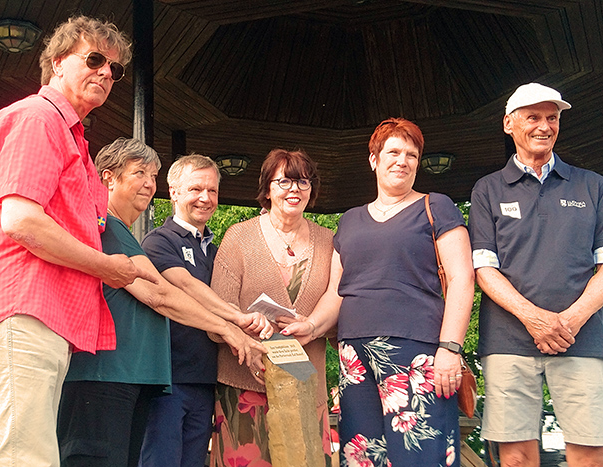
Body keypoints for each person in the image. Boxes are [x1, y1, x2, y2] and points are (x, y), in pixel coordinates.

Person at [0, 16, 156, 467]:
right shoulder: (37, 118)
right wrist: (111, 268)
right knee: (27, 458)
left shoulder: (69, 136)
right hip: (21, 306)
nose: (106, 72)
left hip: (40, 313)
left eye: (115, 69)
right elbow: (22, 221)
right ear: (57, 63)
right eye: (95, 59)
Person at [57, 139, 267, 466]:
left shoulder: (121, 232)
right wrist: (232, 329)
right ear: (108, 177)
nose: (148, 183)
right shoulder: (106, 229)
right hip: (102, 377)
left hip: (133, 379)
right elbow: (161, 295)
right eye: (139, 172)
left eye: (152, 175)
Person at [284, 118, 474, 466]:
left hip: (418, 353)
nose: (402, 161)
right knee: (362, 457)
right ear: (374, 159)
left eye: (412, 155)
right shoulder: (350, 220)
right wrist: (311, 326)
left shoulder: (437, 207)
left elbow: (463, 279)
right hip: (354, 357)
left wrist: (450, 348)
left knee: (420, 455)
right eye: (394, 152)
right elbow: (337, 292)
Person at [469, 83, 603, 467]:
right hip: (509, 340)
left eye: (552, 117)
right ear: (509, 124)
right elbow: (484, 269)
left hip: (582, 337)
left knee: (591, 456)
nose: (544, 126)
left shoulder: (592, 186)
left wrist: (570, 321)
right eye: (533, 117)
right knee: (514, 459)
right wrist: (535, 319)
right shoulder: (488, 190)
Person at [138, 154, 273, 467]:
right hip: (166, 381)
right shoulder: (158, 242)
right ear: (173, 192)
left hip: (206, 380)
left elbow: (234, 299)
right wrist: (237, 319)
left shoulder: (216, 251)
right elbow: (186, 286)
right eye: (196, 189)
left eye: (212, 191)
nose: (205, 198)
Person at [208, 148, 335, 466]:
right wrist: (249, 346)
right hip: (244, 387)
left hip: (305, 384)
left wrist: (314, 324)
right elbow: (218, 311)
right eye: (285, 181)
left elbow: (340, 310)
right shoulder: (239, 237)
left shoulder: (330, 241)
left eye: (303, 182)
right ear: (267, 188)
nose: (294, 189)